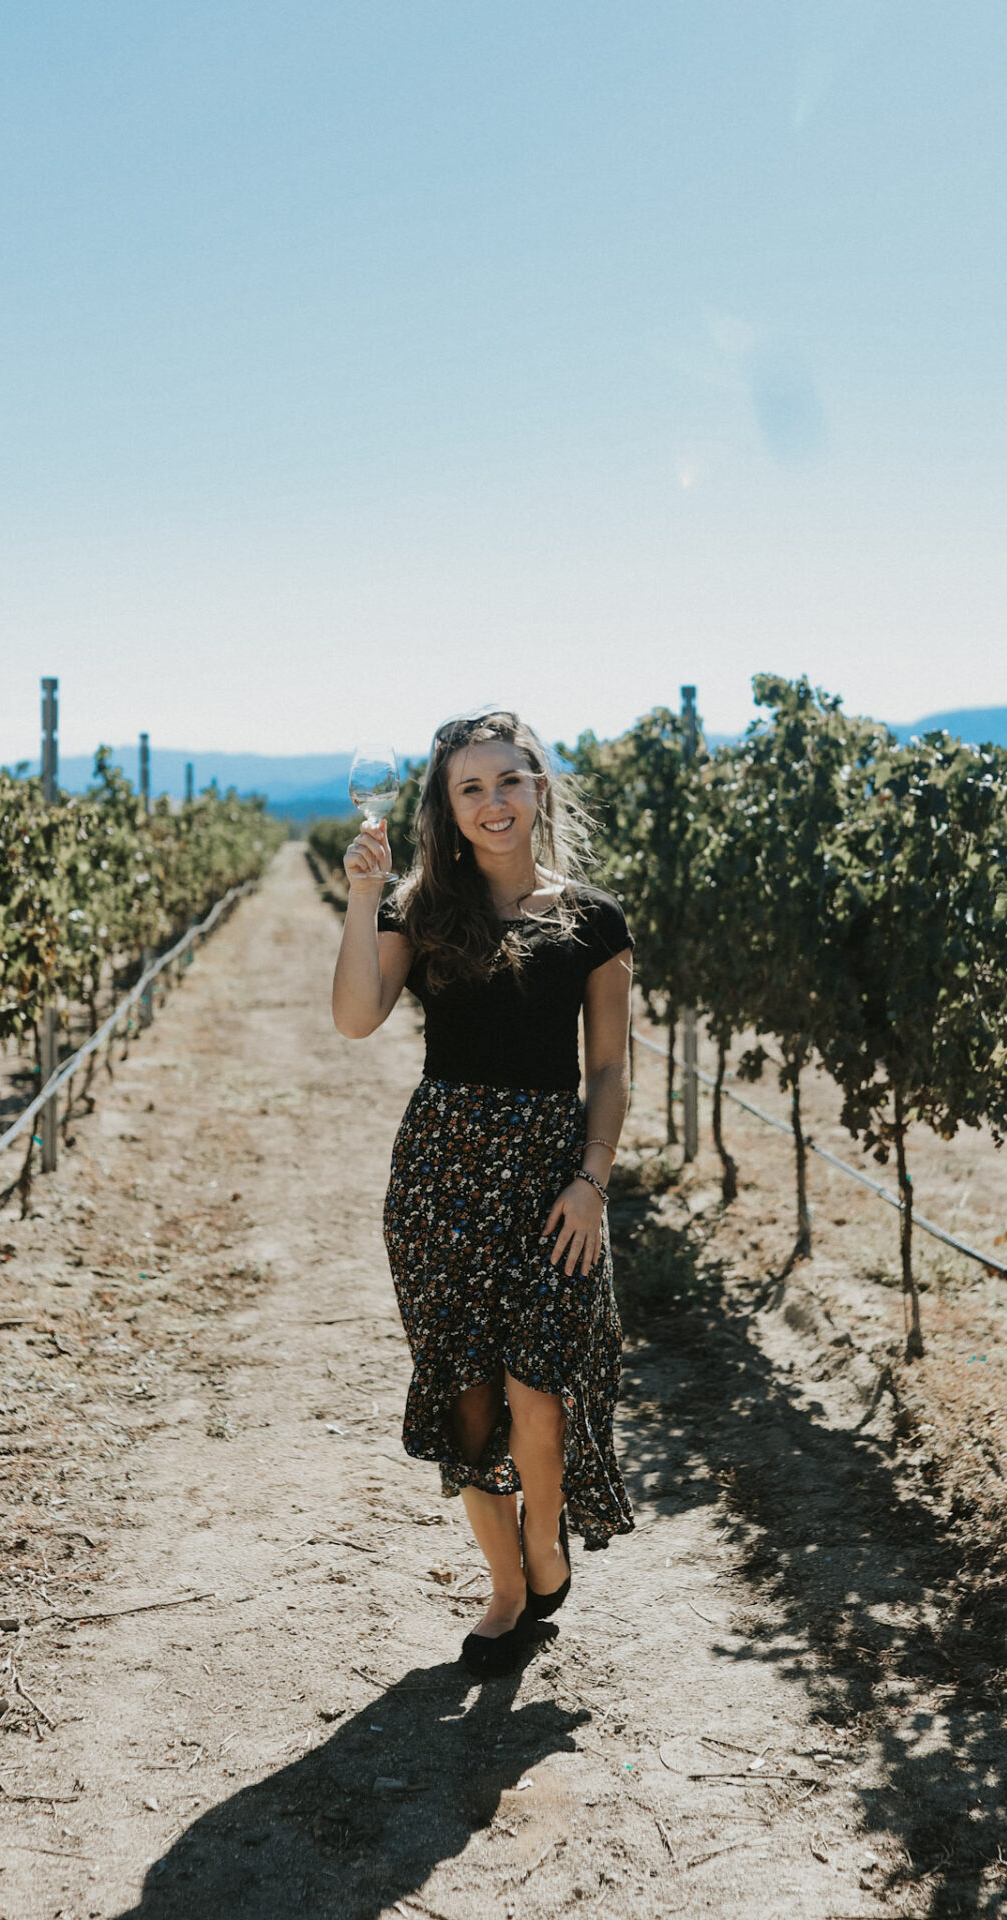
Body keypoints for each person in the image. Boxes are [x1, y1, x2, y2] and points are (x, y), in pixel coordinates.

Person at [331, 708, 635, 1676]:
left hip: (552, 1179)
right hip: (439, 1179)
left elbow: (610, 1072)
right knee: (466, 1403)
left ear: (538, 788)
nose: (492, 802)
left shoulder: (591, 921)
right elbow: (353, 1017)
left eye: (508, 781)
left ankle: (542, 1553)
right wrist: (364, 897)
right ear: (448, 808)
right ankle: (506, 1590)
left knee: (537, 1390)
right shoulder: (424, 912)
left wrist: (591, 1181)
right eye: (471, 788)